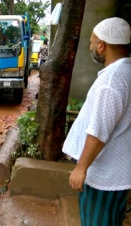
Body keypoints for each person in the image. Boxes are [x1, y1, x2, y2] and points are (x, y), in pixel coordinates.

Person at [62, 17, 131, 226]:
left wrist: (81, 168)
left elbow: (99, 131)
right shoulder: (125, 71)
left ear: (101, 46)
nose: (90, 46)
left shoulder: (111, 82)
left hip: (104, 176)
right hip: (117, 172)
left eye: (92, 42)